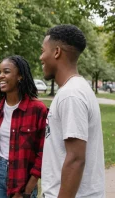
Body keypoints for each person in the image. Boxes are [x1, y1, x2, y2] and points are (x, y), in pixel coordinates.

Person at [40, 24, 105, 197]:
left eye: (43, 51)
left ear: (56, 52)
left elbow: (76, 159)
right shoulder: (73, 90)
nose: (41, 57)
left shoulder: (71, 94)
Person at [0, 55, 48, 198]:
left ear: (20, 76)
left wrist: (28, 189)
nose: (0, 76)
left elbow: (44, 152)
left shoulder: (38, 109)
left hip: (22, 176)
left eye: (6, 72)